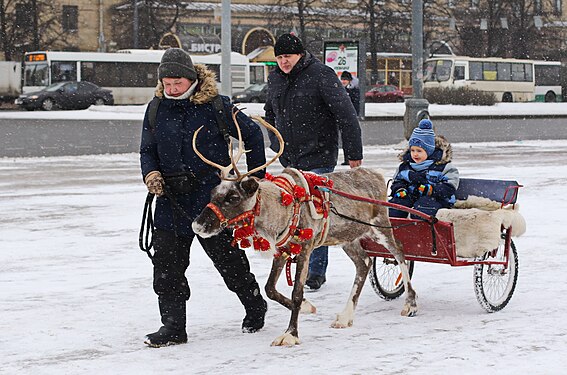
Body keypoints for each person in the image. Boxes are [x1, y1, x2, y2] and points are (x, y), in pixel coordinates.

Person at [140, 48, 268, 347]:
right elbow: (147, 149)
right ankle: (173, 327)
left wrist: (254, 178)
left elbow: (251, 134)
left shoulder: (216, 105)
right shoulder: (156, 108)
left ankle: (254, 305)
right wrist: (151, 174)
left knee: (229, 262)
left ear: (192, 79)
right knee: (167, 268)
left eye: (178, 83)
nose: (172, 89)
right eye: (167, 83)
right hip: (171, 201)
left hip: (212, 202)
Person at [264, 33, 363, 291]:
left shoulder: (321, 74)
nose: (284, 62)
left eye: (288, 57)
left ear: (300, 55)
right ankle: (298, 261)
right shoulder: (275, 77)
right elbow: (269, 112)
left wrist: (353, 154)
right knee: (292, 212)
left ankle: (314, 272)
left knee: (315, 213)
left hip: (318, 155)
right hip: (289, 158)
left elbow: (346, 115)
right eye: (280, 57)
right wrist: (276, 143)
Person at [388, 119, 459, 218]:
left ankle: (420, 229)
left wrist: (431, 190)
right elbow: (397, 181)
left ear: (429, 151)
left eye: (419, 151)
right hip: (411, 196)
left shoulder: (443, 167)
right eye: (412, 150)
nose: (415, 154)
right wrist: (400, 189)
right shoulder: (405, 166)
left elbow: (449, 187)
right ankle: (394, 227)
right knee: (395, 206)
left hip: (436, 198)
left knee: (424, 208)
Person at [340, 70, 361, 165]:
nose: (343, 81)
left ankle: (351, 158)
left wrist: (354, 115)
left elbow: (356, 103)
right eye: (342, 79)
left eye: (345, 79)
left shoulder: (353, 90)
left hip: (351, 117)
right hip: (342, 117)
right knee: (344, 138)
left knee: (351, 137)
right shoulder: (339, 89)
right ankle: (346, 158)